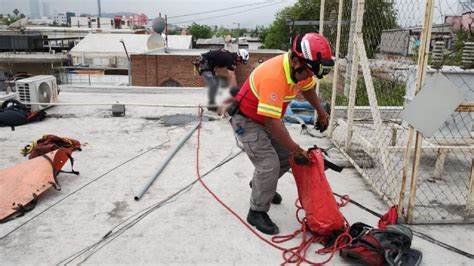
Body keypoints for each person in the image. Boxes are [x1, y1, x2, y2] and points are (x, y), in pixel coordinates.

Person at [227, 33, 334, 235]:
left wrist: (321, 113)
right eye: (308, 73)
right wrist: (296, 148)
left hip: (263, 119)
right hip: (246, 121)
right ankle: (256, 212)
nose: (309, 77)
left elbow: (308, 89)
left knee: (286, 158)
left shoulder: (299, 69)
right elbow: (272, 123)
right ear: (295, 61)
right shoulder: (274, 76)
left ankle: (260, 186)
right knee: (269, 164)